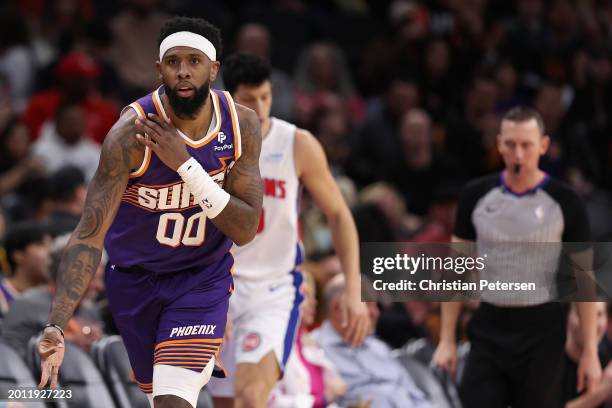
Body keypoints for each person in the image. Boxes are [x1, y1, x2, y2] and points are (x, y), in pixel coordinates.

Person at [36, 16, 263, 408]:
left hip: (201, 278)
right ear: (159, 70)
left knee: (174, 400)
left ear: (214, 68)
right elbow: (89, 236)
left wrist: (186, 167)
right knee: (158, 397)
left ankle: (198, 355)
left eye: (194, 61)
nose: (183, 71)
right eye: (173, 62)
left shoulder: (241, 124)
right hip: (135, 282)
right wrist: (56, 322)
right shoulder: (129, 136)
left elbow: (244, 228)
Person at [207, 52, 369, 408]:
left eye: (265, 96)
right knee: (226, 402)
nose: (261, 107)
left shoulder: (297, 143)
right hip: (218, 286)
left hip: (273, 289)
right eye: (250, 100)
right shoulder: (205, 148)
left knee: (252, 398)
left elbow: (340, 215)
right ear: (229, 99)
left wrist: (354, 289)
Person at [432, 106, 600, 408]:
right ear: (498, 145)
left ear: (544, 146)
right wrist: (446, 339)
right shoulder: (475, 195)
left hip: (542, 330)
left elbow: (583, 280)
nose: (518, 154)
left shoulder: (566, 201)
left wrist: (589, 350)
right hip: (489, 323)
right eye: (510, 145)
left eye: (526, 145)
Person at [313, 274, 432, 408]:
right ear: (337, 309)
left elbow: (416, 396)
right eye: (367, 305)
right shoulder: (314, 350)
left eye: (376, 305)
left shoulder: (378, 347)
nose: (375, 313)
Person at [0, 222, 51, 320]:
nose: (50, 251)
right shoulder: (2, 295)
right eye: (40, 245)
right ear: (18, 255)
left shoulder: (56, 296)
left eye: (51, 244)